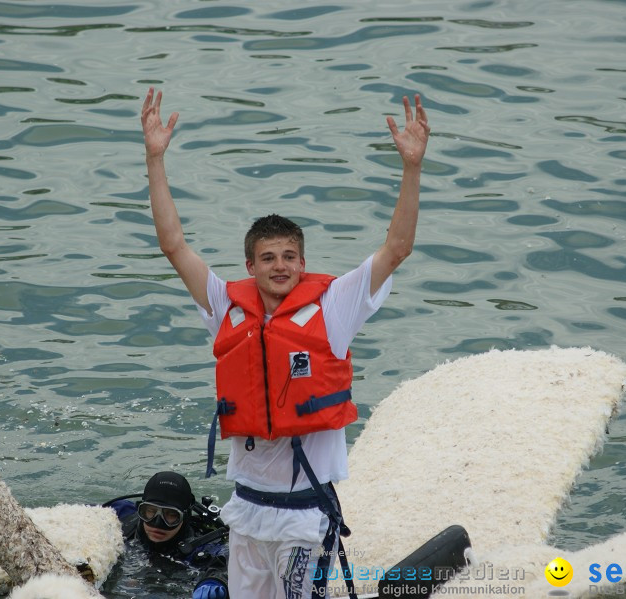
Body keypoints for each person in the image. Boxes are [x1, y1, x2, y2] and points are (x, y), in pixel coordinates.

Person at [140, 87, 429, 599]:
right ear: (250, 267)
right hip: (247, 508)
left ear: (302, 262)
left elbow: (397, 248)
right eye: (269, 257)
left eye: (290, 256)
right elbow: (173, 245)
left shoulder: (333, 309)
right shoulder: (226, 308)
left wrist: (411, 167)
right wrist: (155, 157)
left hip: (304, 514)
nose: (280, 266)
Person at [106, 471, 229, 599]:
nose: (157, 523)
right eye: (150, 511)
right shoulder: (122, 518)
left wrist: (217, 580)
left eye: (171, 515)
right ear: (141, 510)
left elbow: (227, 560)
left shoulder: (201, 550)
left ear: (185, 517)